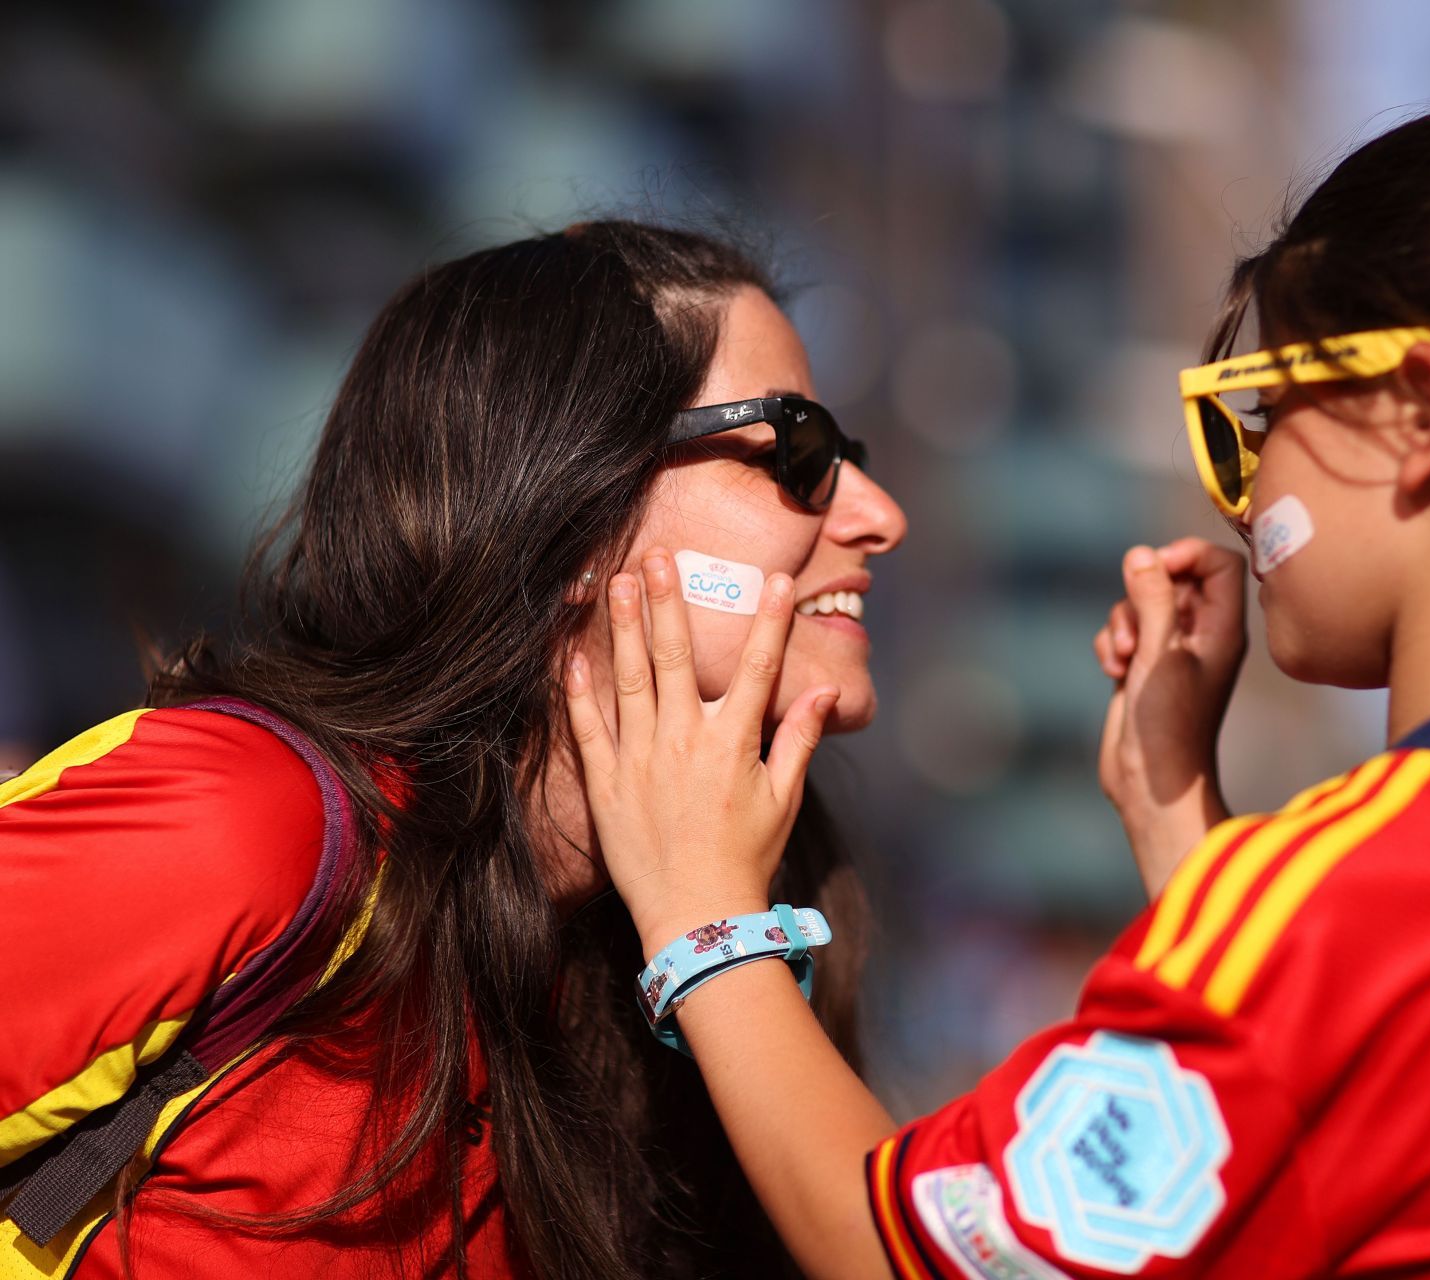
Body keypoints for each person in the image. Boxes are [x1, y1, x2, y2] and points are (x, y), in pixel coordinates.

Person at [562, 101, 1430, 1278]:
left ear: (1426, 419)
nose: (1246, 488)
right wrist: (1181, 823)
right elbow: (1358, 1091)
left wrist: (703, 917)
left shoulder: (1328, 918)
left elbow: (902, 1245)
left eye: (1257, 418)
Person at [0, 220, 907, 1278]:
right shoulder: (248, 822)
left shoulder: (677, 962)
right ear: (576, 507)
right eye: (798, 450)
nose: (879, 515)